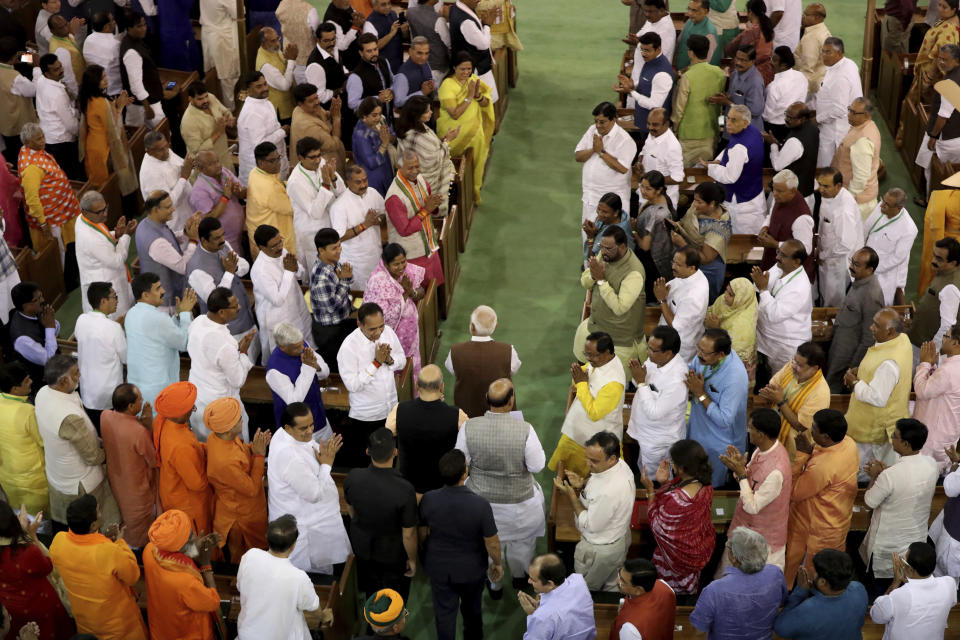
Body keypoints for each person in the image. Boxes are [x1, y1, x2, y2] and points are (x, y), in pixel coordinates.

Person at [456, 378, 546, 593]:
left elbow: (461, 461)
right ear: (511, 401)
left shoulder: (469, 426)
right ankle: (519, 578)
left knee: (487, 548)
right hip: (520, 506)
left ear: (486, 399)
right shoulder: (525, 429)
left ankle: (494, 585)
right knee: (522, 547)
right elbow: (537, 466)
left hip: (481, 503)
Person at [420, 449, 502, 640]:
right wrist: (497, 563)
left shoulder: (429, 499)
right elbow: (492, 543)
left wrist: (426, 554)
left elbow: (422, 533)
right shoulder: (480, 505)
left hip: (439, 567)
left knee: (444, 614)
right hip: (472, 570)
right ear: (464, 473)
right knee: (473, 613)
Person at [36, 354, 120, 529]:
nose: (79, 375)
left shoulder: (43, 392)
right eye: (75, 373)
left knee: (67, 525)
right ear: (63, 382)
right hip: (81, 483)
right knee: (93, 527)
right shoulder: (69, 418)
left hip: (58, 474)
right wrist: (112, 452)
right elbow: (92, 457)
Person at [48, 494, 146, 640]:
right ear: (93, 525)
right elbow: (133, 576)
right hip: (118, 627)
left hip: (86, 623)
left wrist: (104, 539)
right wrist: (119, 543)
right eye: (99, 511)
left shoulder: (58, 542)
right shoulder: (109, 551)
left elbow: (85, 558)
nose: (101, 513)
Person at [268, 403, 351, 573]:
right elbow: (313, 494)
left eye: (311, 424)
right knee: (311, 574)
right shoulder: (289, 457)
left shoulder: (284, 434)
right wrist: (327, 464)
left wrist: (320, 456)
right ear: (288, 428)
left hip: (308, 518)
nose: (310, 431)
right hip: (305, 527)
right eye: (303, 428)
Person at [860, 419, 939, 592]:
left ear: (905, 443)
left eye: (894, 436)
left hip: (888, 543)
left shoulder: (890, 476)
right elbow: (907, 481)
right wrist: (884, 473)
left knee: (882, 590)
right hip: (916, 537)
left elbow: (868, 502)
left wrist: (874, 476)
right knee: (908, 587)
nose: (891, 439)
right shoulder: (932, 464)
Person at [784, 409, 859, 587]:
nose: (810, 430)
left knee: (808, 575)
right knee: (828, 569)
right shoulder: (848, 443)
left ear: (825, 437)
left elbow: (793, 492)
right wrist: (811, 450)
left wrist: (802, 454)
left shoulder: (823, 467)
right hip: (837, 521)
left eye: (814, 429)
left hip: (815, 528)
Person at [344, 427, 418, 601]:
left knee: (371, 589)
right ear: (395, 452)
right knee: (396, 596)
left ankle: (372, 623)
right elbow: (409, 534)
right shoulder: (405, 489)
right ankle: (394, 626)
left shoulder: (353, 477)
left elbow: (350, 509)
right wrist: (413, 560)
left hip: (362, 547)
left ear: (368, 451)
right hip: (392, 553)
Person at [554, 431, 635, 591]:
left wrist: (572, 495)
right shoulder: (621, 465)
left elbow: (590, 524)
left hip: (599, 550)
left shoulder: (609, 491)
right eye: (587, 458)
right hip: (617, 538)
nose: (588, 464)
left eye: (594, 461)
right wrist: (583, 484)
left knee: (585, 589)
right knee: (612, 585)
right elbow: (597, 482)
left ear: (611, 459)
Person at [236, 514, 331, 640]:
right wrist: (325, 616)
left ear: (267, 537)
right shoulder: (298, 577)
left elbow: (240, 586)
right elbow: (313, 608)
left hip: (246, 634)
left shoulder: (250, 556)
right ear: (293, 545)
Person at [844, 308, 914, 474]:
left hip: (873, 428)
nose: (871, 328)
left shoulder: (890, 363)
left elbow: (877, 397)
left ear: (890, 331)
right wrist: (861, 371)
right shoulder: (902, 339)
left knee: (862, 470)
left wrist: (854, 382)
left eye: (876, 326)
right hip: (884, 418)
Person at [641, 438, 716, 593]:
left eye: (673, 462)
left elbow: (657, 526)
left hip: (674, 561)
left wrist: (650, 490)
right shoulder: (705, 486)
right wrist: (664, 483)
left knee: (668, 594)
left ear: (681, 467)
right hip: (695, 552)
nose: (671, 465)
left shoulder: (677, 499)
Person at [337, 302, 407, 467]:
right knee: (366, 462)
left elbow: (402, 360)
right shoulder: (348, 348)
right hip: (366, 416)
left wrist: (390, 360)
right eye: (372, 329)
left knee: (391, 456)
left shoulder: (388, 332)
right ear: (359, 324)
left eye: (381, 326)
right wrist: (376, 363)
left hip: (390, 409)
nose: (378, 332)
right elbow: (352, 385)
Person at [550, 333, 626, 478]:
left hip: (598, 440)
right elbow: (580, 380)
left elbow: (595, 413)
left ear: (607, 352)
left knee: (595, 477)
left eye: (593, 355)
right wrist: (577, 377)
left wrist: (581, 384)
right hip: (578, 431)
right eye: (587, 354)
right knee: (568, 471)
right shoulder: (599, 362)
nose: (589, 359)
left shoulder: (614, 383)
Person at [204, 397, 270, 561]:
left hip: (243, 508)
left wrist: (252, 448)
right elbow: (252, 489)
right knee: (242, 557)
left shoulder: (217, 436)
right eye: (239, 419)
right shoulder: (224, 462)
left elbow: (240, 452)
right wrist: (259, 454)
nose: (243, 420)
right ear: (228, 429)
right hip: (240, 515)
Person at [691, 527, 788, 637]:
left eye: (729, 547)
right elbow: (782, 602)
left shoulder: (714, 590)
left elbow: (698, 629)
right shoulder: (775, 574)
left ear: (734, 558)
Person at [186, 288, 256, 440]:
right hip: (220, 404)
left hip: (198, 397)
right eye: (235, 306)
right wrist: (242, 353)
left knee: (204, 445)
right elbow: (237, 380)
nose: (240, 307)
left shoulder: (198, 321)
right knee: (231, 446)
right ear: (222, 312)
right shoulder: (225, 344)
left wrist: (235, 351)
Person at [142, 510, 222, 640]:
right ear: (184, 545)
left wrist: (194, 548)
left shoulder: (149, 551)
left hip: (161, 628)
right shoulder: (186, 582)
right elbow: (213, 602)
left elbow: (177, 553)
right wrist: (205, 563)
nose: (195, 536)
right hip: (187, 633)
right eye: (191, 535)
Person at [0, 502, 75, 640]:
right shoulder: (26, 552)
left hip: (10, 610)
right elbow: (47, 566)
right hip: (39, 605)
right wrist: (31, 536)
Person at [388, 364, 466, 497]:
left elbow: (389, 432)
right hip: (442, 487)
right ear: (442, 387)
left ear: (416, 385)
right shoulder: (457, 414)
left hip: (409, 486)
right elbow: (467, 439)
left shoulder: (399, 409)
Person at [577, 226, 647, 373]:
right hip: (595, 326)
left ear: (622, 246)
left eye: (608, 248)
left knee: (613, 383)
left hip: (619, 341)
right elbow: (585, 282)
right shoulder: (605, 255)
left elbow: (620, 308)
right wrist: (592, 276)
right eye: (601, 247)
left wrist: (601, 281)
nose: (603, 251)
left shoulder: (634, 272)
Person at [687, 328, 751, 487]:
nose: (699, 355)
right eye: (699, 349)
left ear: (720, 355)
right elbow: (692, 368)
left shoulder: (735, 377)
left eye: (704, 353)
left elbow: (725, 419)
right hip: (698, 430)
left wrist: (700, 393)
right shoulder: (705, 356)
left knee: (710, 487)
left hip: (720, 443)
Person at [186, 217, 256, 357]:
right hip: (229, 333)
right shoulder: (196, 269)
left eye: (223, 234)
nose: (223, 239)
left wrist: (234, 268)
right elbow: (216, 302)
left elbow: (245, 266)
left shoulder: (223, 246)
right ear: (204, 241)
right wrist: (229, 273)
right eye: (217, 237)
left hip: (248, 319)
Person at [896, 0, 960, 149]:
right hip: (929, 75)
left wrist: (928, 78)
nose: (940, 9)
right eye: (939, 5)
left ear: (954, 9)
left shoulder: (948, 30)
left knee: (910, 105)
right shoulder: (948, 20)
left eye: (944, 7)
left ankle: (904, 140)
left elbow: (939, 59)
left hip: (929, 78)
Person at [124, 272, 196, 405]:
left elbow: (162, 334)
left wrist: (178, 315)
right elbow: (184, 342)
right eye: (158, 288)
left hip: (137, 387)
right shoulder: (157, 318)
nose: (163, 291)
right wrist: (185, 313)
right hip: (159, 391)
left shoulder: (131, 314)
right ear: (145, 295)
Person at [100, 383, 157, 548]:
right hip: (137, 490)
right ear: (131, 406)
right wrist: (148, 426)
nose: (143, 401)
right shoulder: (139, 432)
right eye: (140, 399)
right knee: (138, 530)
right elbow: (153, 460)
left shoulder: (105, 416)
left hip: (116, 482)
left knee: (125, 520)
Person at [153, 381, 213, 539]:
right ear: (180, 412)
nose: (192, 411)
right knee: (197, 544)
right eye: (191, 408)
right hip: (188, 505)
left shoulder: (164, 419)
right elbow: (197, 484)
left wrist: (202, 448)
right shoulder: (180, 446)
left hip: (172, 490)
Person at [627, 325, 688, 477]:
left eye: (652, 350)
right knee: (644, 469)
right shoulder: (656, 359)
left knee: (657, 479)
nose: (648, 353)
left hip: (659, 441)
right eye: (648, 347)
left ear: (668, 353)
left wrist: (641, 382)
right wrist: (638, 378)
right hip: (646, 433)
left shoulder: (677, 380)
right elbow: (641, 383)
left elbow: (655, 413)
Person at [445, 304, 522, 417]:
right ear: (495, 326)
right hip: (502, 413)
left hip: (467, 414)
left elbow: (454, 371)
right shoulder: (508, 350)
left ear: (472, 326)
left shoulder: (455, 350)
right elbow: (512, 371)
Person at [250, 224, 315, 359]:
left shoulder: (282, 251)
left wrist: (295, 269)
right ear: (261, 248)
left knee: (305, 342)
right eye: (274, 245)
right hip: (278, 317)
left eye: (280, 241)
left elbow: (301, 274)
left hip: (296, 306)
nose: (280, 247)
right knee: (283, 353)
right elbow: (277, 300)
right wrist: (289, 271)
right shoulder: (260, 270)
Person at [16, 123, 82, 256]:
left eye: (43, 136)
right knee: (59, 251)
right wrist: (43, 223)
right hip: (51, 218)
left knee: (67, 246)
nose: (43, 141)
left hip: (60, 209)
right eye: (38, 139)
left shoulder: (31, 150)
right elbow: (32, 199)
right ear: (28, 142)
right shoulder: (30, 169)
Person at [825, 247, 884, 391]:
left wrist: (853, 365)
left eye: (857, 265)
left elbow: (869, 338)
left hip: (848, 356)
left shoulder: (871, 295)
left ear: (870, 269)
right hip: (839, 347)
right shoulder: (858, 281)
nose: (851, 267)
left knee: (833, 390)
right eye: (852, 262)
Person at [437, 52, 495, 202]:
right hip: (454, 133)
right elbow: (455, 114)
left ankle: (474, 189)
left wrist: (477, 96)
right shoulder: (447, 86)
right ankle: (461, 197)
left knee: (477, 161)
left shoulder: (474, 80)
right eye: (462, 69)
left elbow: (486, 103)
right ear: (454, 68)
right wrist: (469, 96)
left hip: (474, 129)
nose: (466, 72)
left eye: (469, 69)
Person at [575, 101, 636, 241]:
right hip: (590, 197)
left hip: (612, 202)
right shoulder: (592, 131)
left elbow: (622, 168)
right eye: (596, 121)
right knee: (588, 234)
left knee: (611, 239)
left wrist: (601, 152)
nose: (598, 125)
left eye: (602, 122)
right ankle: (588, 262)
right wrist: (593, 149)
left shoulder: (625, 140)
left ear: (614, 119)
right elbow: (578, 156)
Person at [774, 548, 868, 639]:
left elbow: (780, 628)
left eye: (815, 571)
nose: (812, 572)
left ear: (823, 582)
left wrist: (800, 592)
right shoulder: (859, 589)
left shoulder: (808, 610)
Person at [869, 542, 957, 638]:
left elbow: (876, 615)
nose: (902, 561)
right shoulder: (949, 584)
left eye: (904, 560)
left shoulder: (899, 596)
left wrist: (895, 583)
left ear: (911, 570)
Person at [754, 239, 814, 376]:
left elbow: (775, 315)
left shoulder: (800, 287)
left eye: (783, 255)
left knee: (781, 385)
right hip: (766, 339)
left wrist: (763, 290)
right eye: (778, 252)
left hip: (785, 346)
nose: (777, 257)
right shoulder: (779, 267)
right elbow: (760, 283)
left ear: (796, 262)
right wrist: (758, 283)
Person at [758, 342, 830, 457]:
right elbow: (773, 385)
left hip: (793, 449)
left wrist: (780, 401)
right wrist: (772, 393)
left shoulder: (820, 392)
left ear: (815, 368)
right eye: (794, 361)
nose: (793, 366)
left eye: (800, 365)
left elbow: (800, 426)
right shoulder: (791, 367)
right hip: (772, 436)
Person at [135, 191, 201, 313]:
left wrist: (186, 232)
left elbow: (168, 239)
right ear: (155, 210)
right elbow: (183, 266)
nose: (173, 209)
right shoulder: (156, 242)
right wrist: (193, 241)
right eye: (168, 207)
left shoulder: (146, 223)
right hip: (167, 305)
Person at [364, 244, 426, 375]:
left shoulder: (406, 270)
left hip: (410, 333)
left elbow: (421, 291)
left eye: (403, 262)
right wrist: (405, 294)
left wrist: (411, 292)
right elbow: (384, 317)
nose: (401, 267)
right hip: (393, 337)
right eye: (396, 264)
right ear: (386, 265)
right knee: (397, 369)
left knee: (411, 366)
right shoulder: (378, 281)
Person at [385, 150, 444, 284]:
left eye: (417, 166)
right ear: (399, 167)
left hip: (429, 245)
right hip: (412, 255)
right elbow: (404, 230)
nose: (415, 170)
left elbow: (428, 201)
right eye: (410, 167)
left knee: (435, 289)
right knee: (422, 298)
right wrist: (426, 210)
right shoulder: (394, 197)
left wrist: (434, 202)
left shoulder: (421, 179)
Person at [704, 105, 765, 234]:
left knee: (741, 243)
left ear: (744, 122)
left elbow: (730, 177)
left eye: (733, 120)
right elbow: (730, 149)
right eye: (728, 118)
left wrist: (710, 167)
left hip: (742, 205)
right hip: (754, 193)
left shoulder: (740, 147)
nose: (728, 123)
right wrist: (720, 160)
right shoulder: (753, 131)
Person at [289, 137, 345, 274]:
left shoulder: (322, 164)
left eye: (319, 155)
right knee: (319, 274)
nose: (318, 160)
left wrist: (333, 178)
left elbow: (342, 193)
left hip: (330, 226)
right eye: (312, 157)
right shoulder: (295, 182)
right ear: (300, 157)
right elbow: (315, 212)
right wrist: (326, 185)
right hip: (311, 234)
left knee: (335, 270)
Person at [75, 191, 135, 318]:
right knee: (119, 322)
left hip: (108, 277)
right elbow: (117, 261)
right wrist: (126, 236)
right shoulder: (89, 237)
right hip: (106, 285)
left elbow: (102, 238)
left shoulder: (83, 219)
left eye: (105, 208)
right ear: (85, 212)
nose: (105, 214)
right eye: (100, 212)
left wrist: (116, 234)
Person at [671, 181, 733, 302]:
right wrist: (676, 226)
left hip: (706, 270)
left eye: (699, 202)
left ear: (712, 204)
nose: (694, 204)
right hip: (687, 259)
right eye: (694, 200)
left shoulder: (719, 228)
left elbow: (705, 258)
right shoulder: (699, 209)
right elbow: (686, 223)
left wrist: (682, 244)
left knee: (699, 302)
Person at [266, 322, 332, 433]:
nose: (302, 348)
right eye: (297, 347)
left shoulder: (302, 344)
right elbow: (294, 401)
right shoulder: (274, 369)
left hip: (318, 415)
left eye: (302, 344)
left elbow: (325, 373)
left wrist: (316, 366)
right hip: (297, 429)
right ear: (282, 347)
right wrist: (308, 367)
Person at [0, 363, 47, 515]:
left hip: (7, 477)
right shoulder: (27, 411)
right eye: (26, 381)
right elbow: (43, 441)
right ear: (15, 389)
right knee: (38, 524)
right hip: (33, 480)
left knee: (17, 517)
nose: (31, 382)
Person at [78, 65, 135, 191]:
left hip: (94, 146)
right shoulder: (101, 102)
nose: (106, 79)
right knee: (109, 188)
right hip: (103, 149)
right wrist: (120, 108)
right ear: (94, 82)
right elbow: (113, 128)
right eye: (102, 78)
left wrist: (118, 104)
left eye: (105, 75)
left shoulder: (88, 97)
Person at [397, 96, 456, 217]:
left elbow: (432, 149)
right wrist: (448, 141)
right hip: (427, 182)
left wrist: (443, 140)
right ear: (417, 115)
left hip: (417, 179)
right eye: (427, 111)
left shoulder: (414, 126)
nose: (431, 112)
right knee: (450, 195)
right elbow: (434, 160)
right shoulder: (415, 136)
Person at [331, 165, 388, 290]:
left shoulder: (372, 193)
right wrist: (365, 225)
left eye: (365, 180)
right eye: (358, 182)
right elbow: (339, 238)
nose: (363, 185)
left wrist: (377, 220)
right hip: (356, 263)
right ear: (348, 182)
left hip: (376, 255)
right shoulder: (339, 206)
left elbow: (384, 214)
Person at [74, 282, 126, 420]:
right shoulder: (113, 328)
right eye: (114, 297)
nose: (117, 300)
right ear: (103, 301)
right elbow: (126, 358)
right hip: (108, 393)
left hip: (87, 389)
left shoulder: (81, 319)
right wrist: (120, 330)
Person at [673, 35, 726, 167]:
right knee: (704, 173)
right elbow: (720, 105)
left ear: (691, 53)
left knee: (685, 173)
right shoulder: (719, 73)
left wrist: (675, 129)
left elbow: (680, 108)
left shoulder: (687, 76)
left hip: (688, 133)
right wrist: (719, 126)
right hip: (711, 131)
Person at [614, 32, 674, 147]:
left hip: (655, 128)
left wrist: (631, 92)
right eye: (641, 49)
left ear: (658, 49)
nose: (643, 54)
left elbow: (655, 104)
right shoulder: (651, 61)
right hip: (645, 123)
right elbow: (647, 82)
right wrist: (632, 86)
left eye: (647, 50)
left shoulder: (662, 74)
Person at [518, 554, 596, 640]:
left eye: (533, 579)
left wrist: (532, 614)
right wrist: (540, 607)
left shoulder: (542, 618)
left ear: (550, 584)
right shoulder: (578, 580)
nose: (529, 581)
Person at [915, 325, 960, 473]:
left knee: (925, 476)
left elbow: (922, 391)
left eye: (946, 337)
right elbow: (941, 389)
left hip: (934, 435)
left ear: (955, 343)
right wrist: (932, 367)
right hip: (948, 431)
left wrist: (924, 364)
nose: (942, 340)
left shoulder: (948, 370)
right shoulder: (952, 367)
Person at [816, 170, 865, 306]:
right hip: (827, 253)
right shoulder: (832, 196)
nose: (821, 189)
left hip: (836, 261)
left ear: (838, 186)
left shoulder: (844, 211)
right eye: (820, 184)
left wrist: (823, 255)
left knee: (832, 299)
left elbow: (845, 245)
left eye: (826, 186)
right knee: (825, 293)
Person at [309, 227, 356, 369]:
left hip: (341, 321)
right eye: (334, 248)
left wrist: (346, 278)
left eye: (339, 246)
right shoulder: (321, 278)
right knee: (336, 366)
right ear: (321, 250)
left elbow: (343, 282)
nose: (339, 250)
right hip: (329, 331)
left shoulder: (332, 262)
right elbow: (331, 307)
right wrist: (345, 281)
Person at [655, 246, 709, 364]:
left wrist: (662, 300)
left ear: (691, 268)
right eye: (673, 262)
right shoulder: (690, 274)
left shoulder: (694, 295)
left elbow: (676, 326)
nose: (673, 266)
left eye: (678, 265)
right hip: (666, 337)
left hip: (679, 347)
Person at [863, 189, 918, 306]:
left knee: (878, 304)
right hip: (866, 263)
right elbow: (867, 227)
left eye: (887, 204)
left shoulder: (909, 229)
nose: (882, 205)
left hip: (885, 274)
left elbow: (897, 258)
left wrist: (872, 269)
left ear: (899, 208)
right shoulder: (882, 206)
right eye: (883, 200)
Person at [189, 151, 247, 259]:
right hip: (222, 241)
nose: (218, 165)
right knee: (232, 267)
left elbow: (243, 192)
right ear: (201, 169)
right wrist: (225, 197)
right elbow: (211, 217)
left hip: (238, 234)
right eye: (211, 164)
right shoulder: (198, 190)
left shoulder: (224, 172)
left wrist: (238, 191)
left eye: (217, 161)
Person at [816, 37, 863, 166]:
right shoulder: (848, 63)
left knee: (826, 165)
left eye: (828, 52)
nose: (824, 56)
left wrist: (817, 119)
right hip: (838, 124)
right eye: (823, 51)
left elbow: (839, 110)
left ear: (839, 54)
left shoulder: (840, 78)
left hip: (834, 129)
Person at [8, 282, 60, 397]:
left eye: (41, 295)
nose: (43, 300)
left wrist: (51, 325)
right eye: (37, 299)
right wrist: (50, 327)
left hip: (55, 366)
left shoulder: (34, 312)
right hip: (43, 383)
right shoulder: (22, 339)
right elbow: (49, 360)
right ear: (26, 305)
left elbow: (55, 329)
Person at [237, 71, 290, 186]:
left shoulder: (265, 102)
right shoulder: (252, 112)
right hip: (259, 167)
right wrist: (282, 132)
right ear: (248, 90)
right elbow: (259, 145)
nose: (265, 88)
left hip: (274, 160)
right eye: (259, 86)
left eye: (265, 84)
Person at [35, 53, 82, 181]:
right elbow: (70, 123)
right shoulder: (57, 94)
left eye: (60, 66)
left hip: (50, 137)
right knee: (71, 176)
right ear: (46, 73)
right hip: (62, 141)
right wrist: (81, 134)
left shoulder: (40, 79)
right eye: (56, 69)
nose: (61, 70)